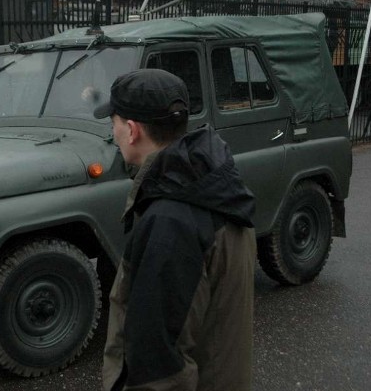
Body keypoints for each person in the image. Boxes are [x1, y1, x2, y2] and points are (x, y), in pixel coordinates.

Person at [95, 69, 257, 391]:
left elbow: (160, 365)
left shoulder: (171, 222)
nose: (112, 134)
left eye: (113, 124)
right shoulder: (212, 185)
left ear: (131, 130)